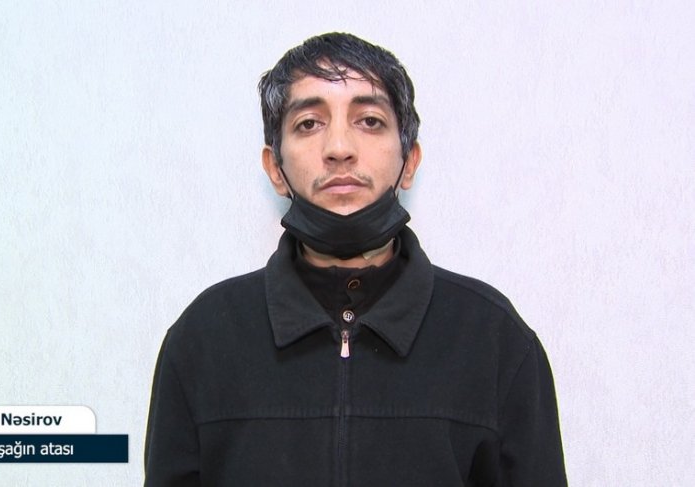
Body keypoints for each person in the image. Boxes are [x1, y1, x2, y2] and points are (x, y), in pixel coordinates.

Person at [144, 32, 567, 487]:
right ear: (274, 168)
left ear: (409, 161)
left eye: (369, 120)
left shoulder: (493, 338)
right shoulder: (204, 339)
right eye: (309, 123)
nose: (339, 148)